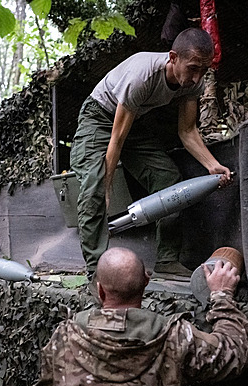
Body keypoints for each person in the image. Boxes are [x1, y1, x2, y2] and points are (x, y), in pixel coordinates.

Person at [71, 27, 233, 281]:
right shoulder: (142, 76)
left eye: (203, 70)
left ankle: (167, 259)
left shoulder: (193, 83)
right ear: (172, 57)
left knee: (167, 178)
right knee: (95, 187)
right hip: (99, 117)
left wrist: (213, 165)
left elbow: (188, 131)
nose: (197, 76)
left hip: (133, 124)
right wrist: (108, 184)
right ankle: (97, 273)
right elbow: (116, 139)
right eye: (192, 68)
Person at [34, 247, 248, 386]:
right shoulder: (176, 336)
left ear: (100, 290)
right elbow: (233, 356)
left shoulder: (64, 336)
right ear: (146, 281)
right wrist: (222, 295)